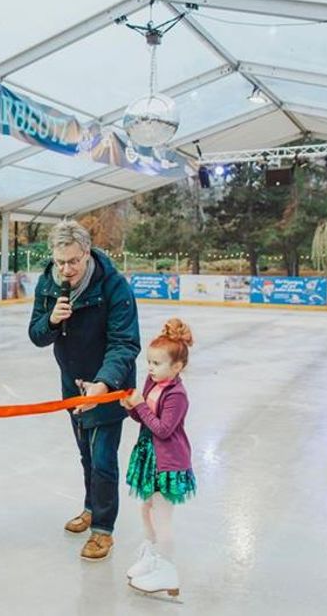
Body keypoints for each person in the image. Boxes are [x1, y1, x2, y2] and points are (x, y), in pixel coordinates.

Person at [28, 220, 140, 561]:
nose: (66, 269)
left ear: (87, 253)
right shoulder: (48, 283)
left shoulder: (113, 286)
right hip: (73, 387)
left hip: (108, 388)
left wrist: (102, 385)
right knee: (86, 455)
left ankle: (103, 530)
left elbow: (125, 343)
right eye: (60, 261)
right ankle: (92, 507)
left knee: (103, 460)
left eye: (73, 261)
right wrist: (51, 320)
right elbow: (36, 335)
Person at [120, 318, 196, 598]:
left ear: (177, 367)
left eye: (157, 364)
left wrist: (140, 405)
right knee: (146, 509)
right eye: (149, 362)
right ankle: (152, 555)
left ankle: (167, 569)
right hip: (149, 456)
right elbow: (143, 418)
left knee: (162, 517)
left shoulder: (177, 395)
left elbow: (163, 429)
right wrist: (131, 407)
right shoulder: (153, 383)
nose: (150, 368)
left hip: (168, 463)